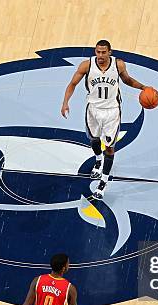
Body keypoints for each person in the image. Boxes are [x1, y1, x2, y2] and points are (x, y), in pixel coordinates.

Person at [61, 39, 148, 199]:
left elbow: (127, 80)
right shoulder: (86, 65)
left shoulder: (118, 65)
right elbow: (72, 84)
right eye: (98, 52)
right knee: (94, 140)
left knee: (109, 147)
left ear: (110, 52)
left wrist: (143, 87)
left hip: (112, 112)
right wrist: (65, 102)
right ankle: (98, 160)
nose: (100, 55)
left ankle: (103, 182)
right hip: (93, 109)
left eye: (103, 52)